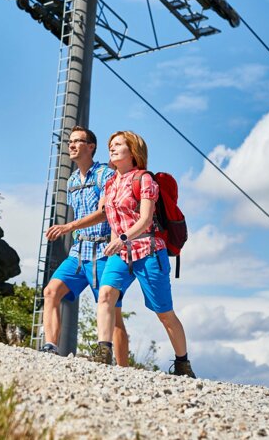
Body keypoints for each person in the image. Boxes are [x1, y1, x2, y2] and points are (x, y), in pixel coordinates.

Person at [92, 130, 195, 377]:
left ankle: (183, 364)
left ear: (133, 151)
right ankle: (103, 352)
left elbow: (146, 219)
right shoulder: (110, 183)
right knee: (105, 295)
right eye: (111, 145)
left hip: (148, 252)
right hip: (121, 253)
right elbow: (110, 218)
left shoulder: (144, 179)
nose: (112, 148)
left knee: (164, 313)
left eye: (118, 144)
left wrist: (124, 238)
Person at [41, 126, 130, 366]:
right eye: (70, 141)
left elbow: (104, 213)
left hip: (103, 252)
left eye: (77, 141)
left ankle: (123, 369)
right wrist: (73, 230)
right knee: (51, 292)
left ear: (90, 147)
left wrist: (68, 227)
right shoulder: (71, 181)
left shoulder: (104, 175)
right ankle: (50, 347)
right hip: (79, 252)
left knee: (114, 315)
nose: (71, 145)